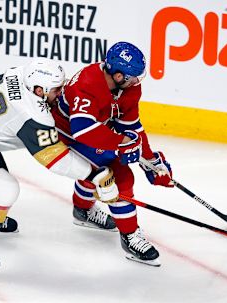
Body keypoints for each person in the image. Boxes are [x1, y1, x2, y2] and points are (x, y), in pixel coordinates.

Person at [0, 58, 120, 278]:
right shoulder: (33, 115)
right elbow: (55, 158)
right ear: (38, 89)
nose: (60, 94)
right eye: (55, 90)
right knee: (5, 189)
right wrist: (94, 174)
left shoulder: (17, 73)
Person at [52, 42, 174, 267]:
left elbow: (132, 126)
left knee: (98, 169)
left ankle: (82, 210)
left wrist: (150, 160)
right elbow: (82, 129)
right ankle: (129, 236)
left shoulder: (129, 88)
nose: (137, 81)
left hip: (96, 131)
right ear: (118, 75)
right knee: (120, 176)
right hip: (66, 134)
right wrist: (120, 144)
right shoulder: (88, 83)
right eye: (133, 77)